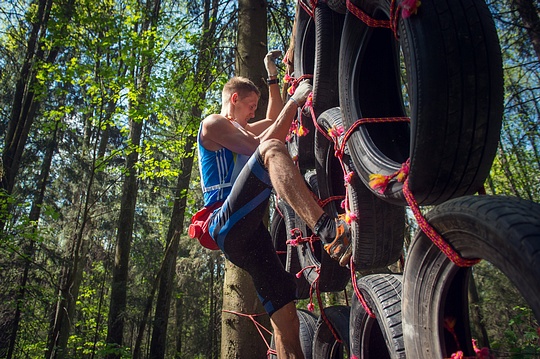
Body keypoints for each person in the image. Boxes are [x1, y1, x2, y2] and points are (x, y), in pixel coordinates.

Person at [195, 51, 351, 358]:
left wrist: (272, 77)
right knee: (271, 149)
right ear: (235, 98)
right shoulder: (213, 124)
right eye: (250, 106)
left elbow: (273, 118)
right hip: (225, 223)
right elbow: (262, 146)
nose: (254, 114)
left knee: (285, 315)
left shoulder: (240, 128)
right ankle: (329, 231)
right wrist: (295, 102)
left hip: (250, 236)